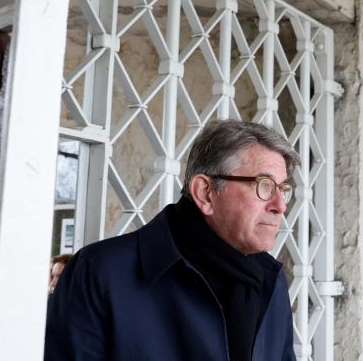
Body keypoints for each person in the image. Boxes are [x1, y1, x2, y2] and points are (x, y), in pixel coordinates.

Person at [45, 120, 299, 361]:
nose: (280, 205)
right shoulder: (100, 271)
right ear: (205, 193)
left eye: (283, 189)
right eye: (264, 185)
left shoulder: (271, 279)